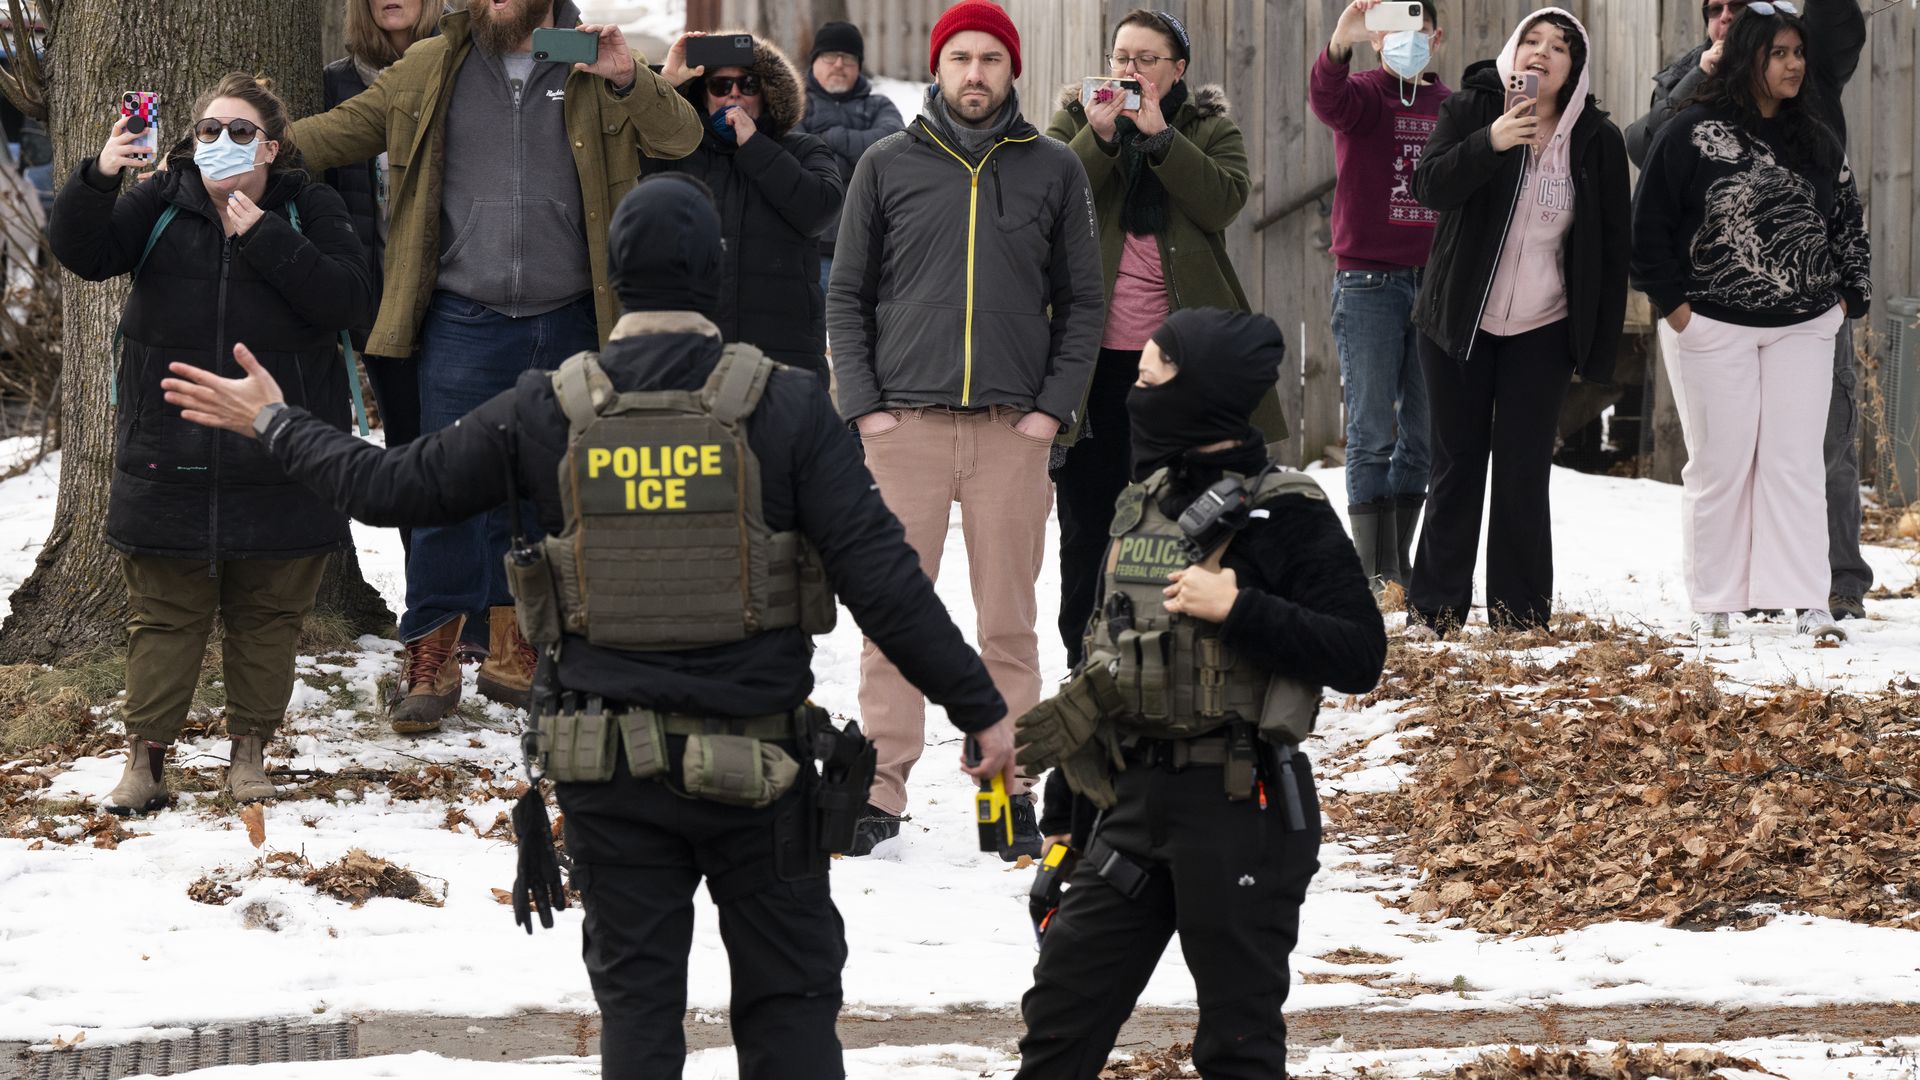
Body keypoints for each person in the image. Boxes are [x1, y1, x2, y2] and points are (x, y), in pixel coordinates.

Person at [160, 173, 1016, 1080]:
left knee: (639, 1014)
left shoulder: (550, 406)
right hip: (760, 772)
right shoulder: (789, 406)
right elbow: (884, 579)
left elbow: (393, 488)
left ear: (613, 275)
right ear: (713, 273)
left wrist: (278, 421)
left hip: (609, 774)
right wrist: (980, 709)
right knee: (790, 1008)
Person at [291, 0, 704, 732]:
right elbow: (332, 135)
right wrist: (235, 148)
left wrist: (625, 79)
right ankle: (433, 655)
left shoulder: (594, 61)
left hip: (574, 313)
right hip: (463, 316)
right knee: (445, 490)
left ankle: (522, 644)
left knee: (552, 491)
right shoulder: (430, 64)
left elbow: (680, 136)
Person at [1012, 308, 1386, 1079]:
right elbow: (1102, 663)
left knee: (1237, 1043)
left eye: (1153, 376)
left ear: (1206, 392)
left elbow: (1359, 652)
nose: (1136, 390)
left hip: (1236, 806)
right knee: (1059, 1022)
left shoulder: (1284, 509)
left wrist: (1239, 607)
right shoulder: (1137, 501)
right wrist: (1066, 827)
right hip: (1127, 804)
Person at [47, 73, 373, 814]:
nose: (219, 144)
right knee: (163, 613)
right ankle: (144, 760)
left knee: (269, 616)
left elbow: (349, 298)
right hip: (170, 443)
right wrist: (101, 173)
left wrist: (259, 231)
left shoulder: (306, 204)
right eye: (206, 130)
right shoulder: (162, 200)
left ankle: (250, 751)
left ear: (272, 146)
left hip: (282, 447)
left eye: (238, 132)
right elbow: (81, 249)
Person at [829, 0, 1104, 856]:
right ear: (938, 68)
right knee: (890, 619)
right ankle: (881, 786)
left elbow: (1083, 303)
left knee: (1008, 622)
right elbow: (846, 296)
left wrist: (1049, 412)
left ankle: (1010, 789)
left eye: (991, 59)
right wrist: (865, 408)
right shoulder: (885, 164)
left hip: (1008, 433)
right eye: (961, 59)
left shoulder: (1054, 168)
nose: (976, 74)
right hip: (902, 426)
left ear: (1011, 70)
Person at [1044, 8, 1287, 672]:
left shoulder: (1209, 127)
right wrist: (1099, 137)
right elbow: (1047, 195)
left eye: (1146, 59)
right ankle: (1084, 661)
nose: (1129, 70)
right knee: (1090, 525)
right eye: (1121, 56)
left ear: (1177, 69)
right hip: (1093, 368)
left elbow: (1223, 201)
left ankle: (1181, 663)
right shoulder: (1076, 118)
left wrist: (1160, 140)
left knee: (1184, 520)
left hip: (1181, 372)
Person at [1630, 3, 1870, 642]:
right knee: (1721, 464)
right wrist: (1677, 311)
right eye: (1781, 54)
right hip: (1710, 326)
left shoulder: (1816, 134)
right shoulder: (1689, 129)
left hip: (1805, 325)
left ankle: (1806, 599)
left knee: (1794, 461)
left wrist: (1848, 297)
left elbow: (1846, 215)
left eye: (1799, 54)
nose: (1795, 65)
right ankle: (1716, 601)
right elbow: (1647, 225)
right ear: (1750, 58)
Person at [1406, 7, 1629, 637]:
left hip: (1544, 325)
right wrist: (1493, 141)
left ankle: (1519, 615)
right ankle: (1435, 611)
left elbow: (1613, 249)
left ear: (1574, 69)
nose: (1542, 53)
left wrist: (1596, 349)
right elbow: (1429, 187)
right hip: (1457, 320)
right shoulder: (1472, 109)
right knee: (1456, 461)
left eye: (1559, 47)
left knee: (1524, 467)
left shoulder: (1597, 139)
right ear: (1513, 50)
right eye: (1531, 40)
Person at [1311, 0, 1451, 597]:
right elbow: (1326, 98)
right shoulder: (1363, 95)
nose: (1403, 42)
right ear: (1374, 42)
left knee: (1423, 435)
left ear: (1435, 38)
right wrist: (1339, 43)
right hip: (1369, 281)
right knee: (1371, 432)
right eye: (1390, 33)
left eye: (1414, 32)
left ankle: (1398, 565)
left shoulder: (1453, 109)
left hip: (1438, 284)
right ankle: (1372, 573)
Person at [642, 32, 843, 376]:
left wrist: (753, 145)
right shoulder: (673, 154)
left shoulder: (803, 149)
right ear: (701, 96)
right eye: (720, 86)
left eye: (748, 84)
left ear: (766, 94)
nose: (734, 93)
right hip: (690, 360)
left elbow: (819, 209)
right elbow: (629, 168)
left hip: (782, 364)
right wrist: (668, 87)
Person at [795, 20, 903, 295]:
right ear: (815, 61)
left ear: (858, 64)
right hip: (810, 252)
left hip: (869, 251)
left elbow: (893, 146)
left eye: (848, 58)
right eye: (830, 56)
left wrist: (831, 139)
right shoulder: (794, 104)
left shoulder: (879, 105)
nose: (839, 64)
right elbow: (795, 158)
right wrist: (861, 161)